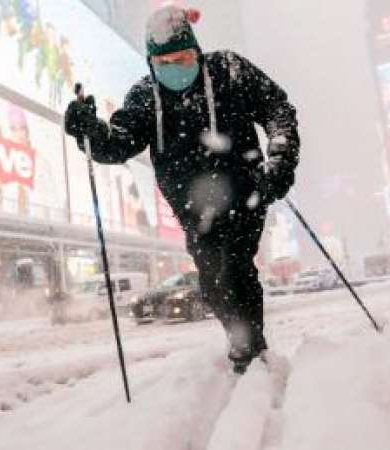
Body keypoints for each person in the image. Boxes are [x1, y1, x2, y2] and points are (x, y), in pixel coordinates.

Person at [65, 5, 300, 373]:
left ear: (197, 51)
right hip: (193, 208)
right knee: (212, 285)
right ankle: (243, 340)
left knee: (236, 269)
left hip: (246, 193)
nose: (175, 68)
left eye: (184, 57)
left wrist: (280, 161)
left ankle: (249, 351)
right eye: (164, 62)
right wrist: (90, 131)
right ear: (151, 63)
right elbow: (118, 143)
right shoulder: (146, 97)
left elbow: (277, 109)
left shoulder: (230, 72)